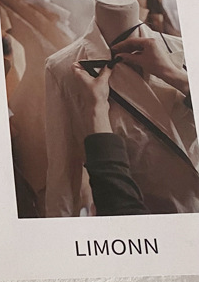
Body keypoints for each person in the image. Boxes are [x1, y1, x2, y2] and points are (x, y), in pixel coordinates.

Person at [70, 35, 192, 216]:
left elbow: (119, 207)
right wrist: (175, 76)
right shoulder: (63, 64)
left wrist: (97, 108)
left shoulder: (182, 45)